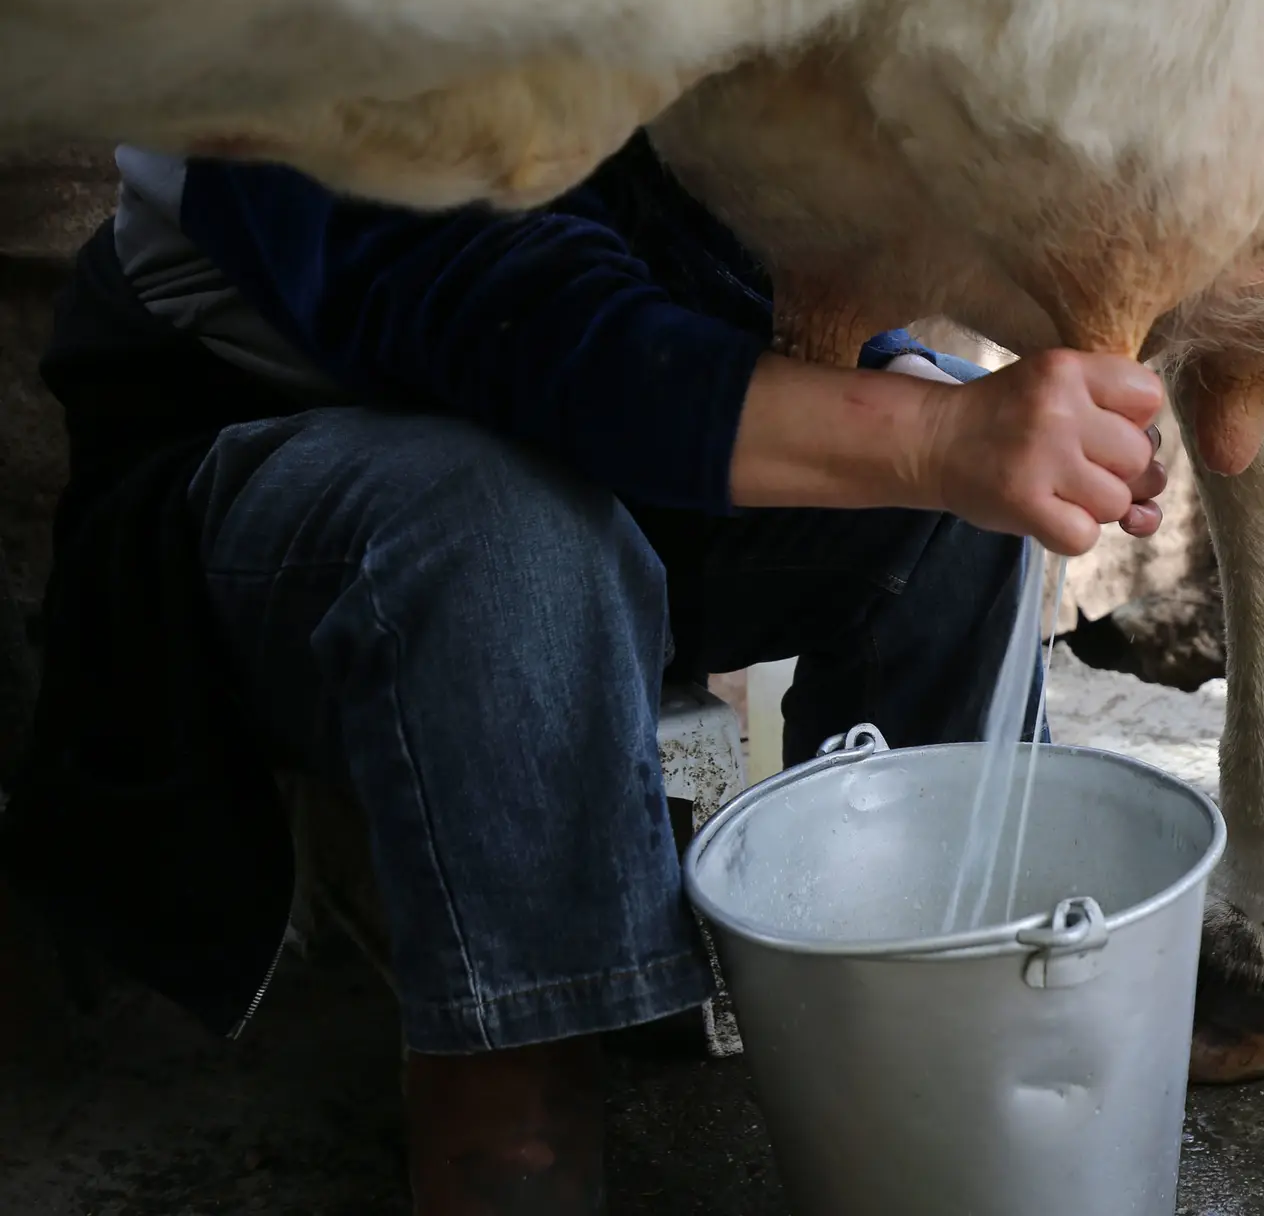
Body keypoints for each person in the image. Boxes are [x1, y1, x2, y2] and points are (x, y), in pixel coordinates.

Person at [0, 129, 1167, 1215]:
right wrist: (928, 439)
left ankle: (928, 1069)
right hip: (278, 471)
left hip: (600, 436)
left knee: (958, 505)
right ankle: (518, 1141)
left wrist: (1004, 426)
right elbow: (508, 312)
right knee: (510, 531)